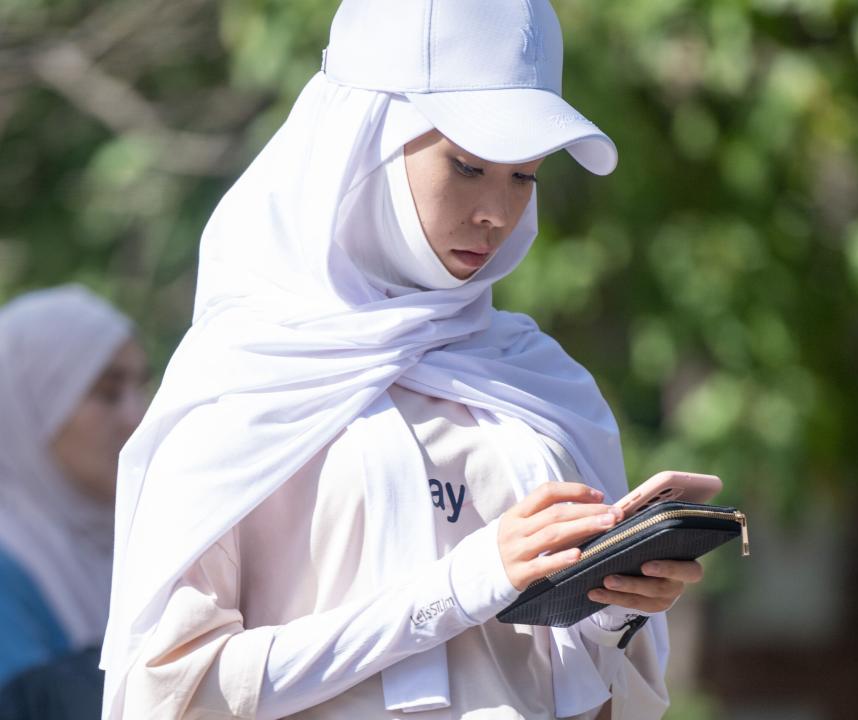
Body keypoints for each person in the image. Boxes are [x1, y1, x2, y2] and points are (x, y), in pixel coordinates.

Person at [101, 2, 705, 719]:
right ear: (366, 142)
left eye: (525, 176)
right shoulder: (242, 379)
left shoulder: (541, 381)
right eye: (470, 164)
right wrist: (454, 590)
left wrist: (608, 610)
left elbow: (613, 703)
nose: (497, 212)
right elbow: (167, 692)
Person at [0, 285, 147, 690]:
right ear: (34, 404)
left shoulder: (139, 543)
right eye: (109, 393)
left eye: (140, 388)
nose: (137, 416)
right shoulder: (7, 568)